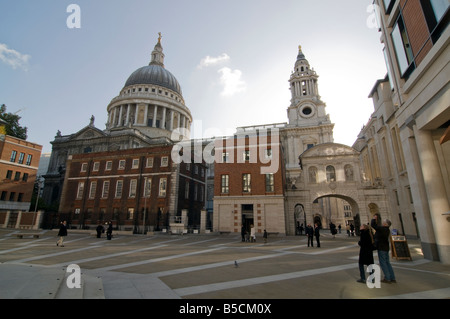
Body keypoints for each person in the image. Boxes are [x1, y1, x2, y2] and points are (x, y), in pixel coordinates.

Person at [371, 215, 396, 283]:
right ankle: (392, 277)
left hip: (381, 248)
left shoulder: (383, 229)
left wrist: (373, 219)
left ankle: (387, 278)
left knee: (383, 263)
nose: (382, 222)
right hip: (385, 248)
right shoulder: (386, 230)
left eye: (384, 222)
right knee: (387, 263)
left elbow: (373, 225)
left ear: (385, 224)